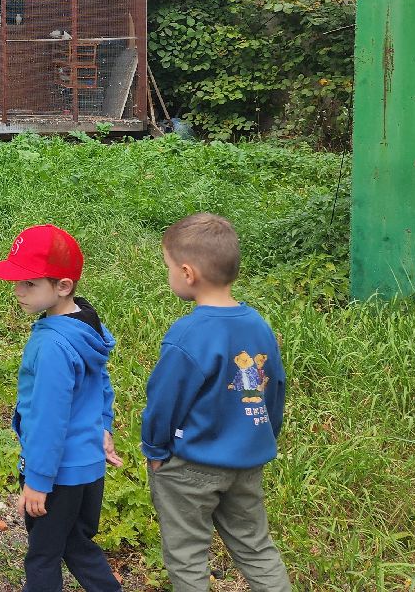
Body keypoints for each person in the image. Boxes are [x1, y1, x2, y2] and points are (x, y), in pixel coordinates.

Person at [142, 213, 290, 592]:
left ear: (188, 273)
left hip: (190, 465)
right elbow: (274, 387)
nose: (170, 274)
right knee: (256, 547)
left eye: (169, 267)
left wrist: (155, 448)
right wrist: (264, 435)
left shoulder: (188, 333)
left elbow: (164, 400)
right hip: (247, 461)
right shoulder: (258, 324)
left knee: (188, 553)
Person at [0, 224, 123, 592]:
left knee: (43, 555)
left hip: (57, 473)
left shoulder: (52, 348)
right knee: (75, 544)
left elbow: (48, 419)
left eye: (29, 284)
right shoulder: (86, 328)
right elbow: (101, 383)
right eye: (17, 282)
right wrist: (104, 427)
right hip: (88, 464)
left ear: (63, 286)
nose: (17, 292)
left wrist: (38, 482)